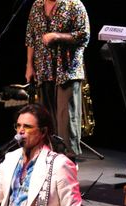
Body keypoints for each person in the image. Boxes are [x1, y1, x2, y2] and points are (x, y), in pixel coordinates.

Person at [25, 0, 90, 161]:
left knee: (66, 119)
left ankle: (68, 160)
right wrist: (29, 65)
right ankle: (49, 158)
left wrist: (57, 36)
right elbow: (31, 38)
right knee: (46, 118)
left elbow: (84, 35)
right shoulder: (37, 6)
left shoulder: (74, 5)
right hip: (44, 69)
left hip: (67, 71)